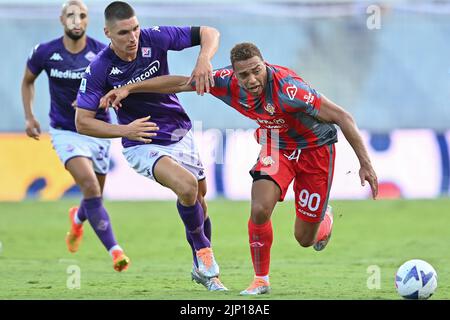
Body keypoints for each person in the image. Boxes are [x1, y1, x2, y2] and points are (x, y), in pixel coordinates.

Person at [99, 42, 379, 295]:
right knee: (259, 209)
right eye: (244, 75)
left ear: (264, 65)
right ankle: (261, 280)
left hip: (315, 150)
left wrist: (365, 165)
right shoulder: (224, 82)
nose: (252, 79)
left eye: (257, 71)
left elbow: (343, 116)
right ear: (235, 74)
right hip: (276, 145)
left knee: (305, 239)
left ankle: (322, 219)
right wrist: (130, 88)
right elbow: (182, 83)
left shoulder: (290, 90)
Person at [75, 1, 227, 291]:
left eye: (135, 29)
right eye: (123, 33)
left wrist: (204, 59)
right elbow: (82, 122)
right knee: (187, 187)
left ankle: (202, 269)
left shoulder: (154, 37)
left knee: (200, 200)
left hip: (179, 131)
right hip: (141, 141)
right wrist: (124, 130)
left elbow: (210, 32)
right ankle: (204, 255)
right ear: (107, 32)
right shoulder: (99, 69)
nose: (132, 37)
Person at [21, 0, 130, 272]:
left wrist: (94, 102)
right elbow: (28, 81)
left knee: (94, 198)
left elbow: (116, 88)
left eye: (81, 15)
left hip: (98, 130)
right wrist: (29, 116)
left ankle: (77, 218)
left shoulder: (102, 52)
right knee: (91, 188)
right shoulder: (45, 52)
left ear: (87, 20)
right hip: (65, 131)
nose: (76, 20)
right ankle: (116, 251)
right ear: (61, 19)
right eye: (70, 15)